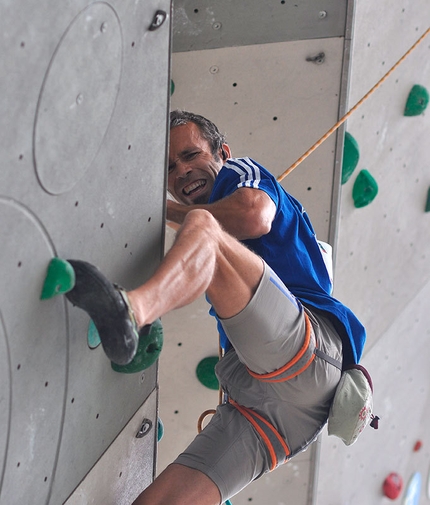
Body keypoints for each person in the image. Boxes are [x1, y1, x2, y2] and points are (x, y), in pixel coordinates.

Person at [65, 110, 366, 505]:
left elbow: (253, 215)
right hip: (276, 416)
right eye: (171, 168)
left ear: (222, 151)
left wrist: (163, 209)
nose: (182, 172)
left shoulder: (239, 172)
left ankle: (131, 313)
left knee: (205, 230)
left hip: (306, 354)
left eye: (191, 155)